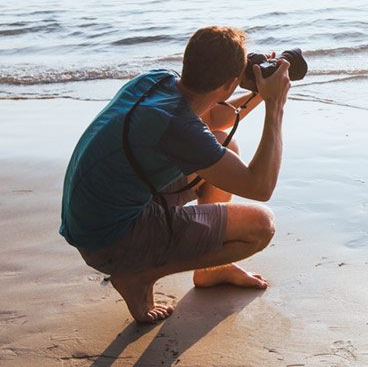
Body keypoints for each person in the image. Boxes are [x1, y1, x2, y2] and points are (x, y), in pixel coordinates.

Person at [59, 26, 291, 323]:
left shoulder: (157, 80)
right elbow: (261, 186)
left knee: (224, 143)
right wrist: (276, 104)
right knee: (261, 227)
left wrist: (260, 93)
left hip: (91, 218)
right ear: (232, 83)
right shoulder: (175, 126)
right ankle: (140, 276)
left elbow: (211, 117)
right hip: (109, 241)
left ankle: (211, 269)